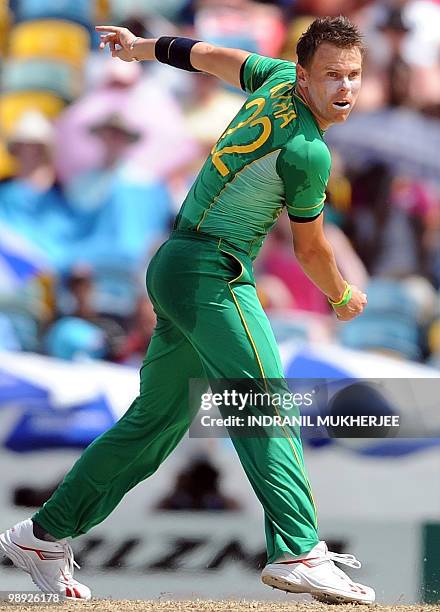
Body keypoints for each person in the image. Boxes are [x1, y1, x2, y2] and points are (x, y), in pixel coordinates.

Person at [0, 16, 372, 603]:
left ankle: (43, 535)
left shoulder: (274, 77)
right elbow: (310, 246)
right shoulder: (307, 151)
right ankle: (299, 550)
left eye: (352, 75)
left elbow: (210, 56)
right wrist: (342, 294)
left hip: (177, 262)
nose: (344, 88)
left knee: (155, 424)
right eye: (331, 75)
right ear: (304, 75)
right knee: (263, 401)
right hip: (210, 270)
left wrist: (141, 48)